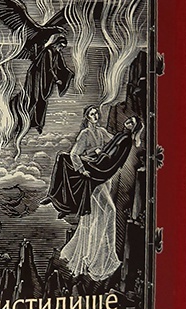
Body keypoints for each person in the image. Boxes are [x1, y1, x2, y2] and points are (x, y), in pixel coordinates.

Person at [46, 109, 142, 281]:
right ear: (87, 117)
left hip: (103, 177)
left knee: (96, 216)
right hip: (91, 178)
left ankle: (92, 255)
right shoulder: (85, 134)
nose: (96, 116)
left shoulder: (102, 132)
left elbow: (114, 146)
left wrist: (132, 138)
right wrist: (82, 169)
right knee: (109, 211)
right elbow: (74, 154)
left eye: (97, 113)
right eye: (92, 114)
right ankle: (95, 259)